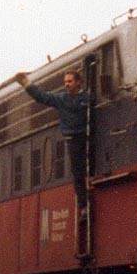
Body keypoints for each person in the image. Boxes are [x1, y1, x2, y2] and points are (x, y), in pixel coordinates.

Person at [14, 69, 90, 213]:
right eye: (65, 82)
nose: (66, 85)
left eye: (70, 81)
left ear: (78, 82)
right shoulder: (61, 99)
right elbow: (42, 97)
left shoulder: (87, 98)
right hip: (73, 139)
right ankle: (83, 206)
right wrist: (27, 84)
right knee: (78, 173)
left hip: (86, 136)